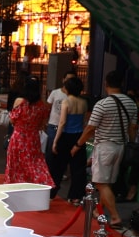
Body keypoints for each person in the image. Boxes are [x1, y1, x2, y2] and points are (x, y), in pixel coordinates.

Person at [76, 70, 137, 228]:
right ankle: (98, 211)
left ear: (106, 84)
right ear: (122, 84)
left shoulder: (102, 104)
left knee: (101, 183)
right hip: (120, 147)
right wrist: (131, 142)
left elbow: (90, 128)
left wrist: (78, 145)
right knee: (107, 183)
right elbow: (133, 128)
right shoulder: (131, 103)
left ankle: (115, 217)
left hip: (104, 147)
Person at [5, 76, 54, 188]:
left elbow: (12, 119)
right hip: (33, 138)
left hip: (18, 137)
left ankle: (15, 186)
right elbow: (42, 124)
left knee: (16, 164)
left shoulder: (19, 101)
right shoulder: (42, 105)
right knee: (34, 163)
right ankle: (40, 184)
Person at [47, 75, 88, 204]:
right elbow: (83, 122)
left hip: (65, 136)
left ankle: (52, 193)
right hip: (78, 137)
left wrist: (55, 141)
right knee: (78, 168)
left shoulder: (66, 102)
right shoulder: (84, 103)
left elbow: (62, 122)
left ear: (68, 89)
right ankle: (75, 196)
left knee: (58, 167)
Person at [45, 70, 76, 154]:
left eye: (72, 79)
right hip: (53, 126)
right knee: (50, 153)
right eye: (67, 79)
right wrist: (45, 123)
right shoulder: (55, 92)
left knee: (63, 154)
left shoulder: (75, 97)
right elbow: (48, 108)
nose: (69, 82)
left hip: (67, 129)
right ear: (63, 80)